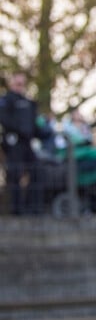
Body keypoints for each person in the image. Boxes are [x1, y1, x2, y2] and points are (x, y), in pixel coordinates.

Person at [0, 71, 43, 215]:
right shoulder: (6, 100)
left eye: (22, 84)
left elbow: (35, 124)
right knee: (14, 175)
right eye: (18, 83)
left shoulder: (29, 103)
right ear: (12, 83)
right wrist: (20, 129)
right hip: (14, 144)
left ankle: (33, 207)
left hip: (28, 143)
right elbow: (5, 120)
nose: (20, 86)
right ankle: (16, 209)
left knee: (36, 170)